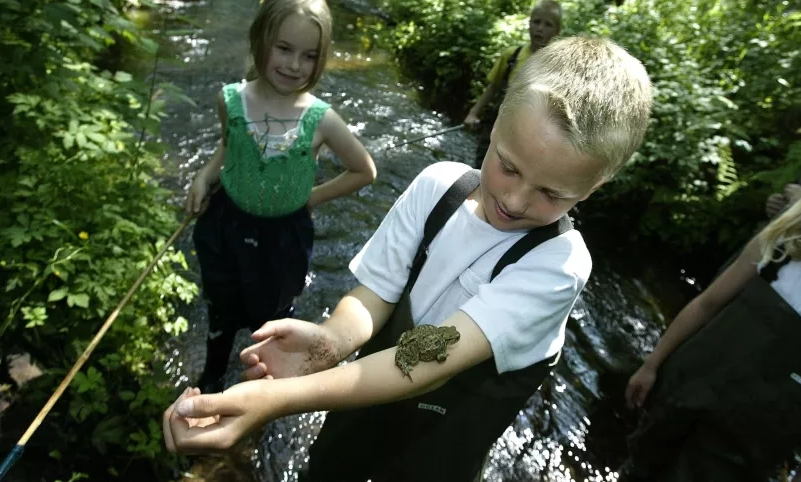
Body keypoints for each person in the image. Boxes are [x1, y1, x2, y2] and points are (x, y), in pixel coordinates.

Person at [163, 36, 653, 482]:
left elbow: (426, 363)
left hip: (436, 456)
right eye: (507, 165)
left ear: (594, 187)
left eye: (552, 193)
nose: (518, 200)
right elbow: (375, 295)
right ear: (497, 116)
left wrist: (272, 401)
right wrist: (331, 341)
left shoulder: (558, 265)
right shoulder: (438, 185)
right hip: (358, 405)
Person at [623, 138, 801, 481]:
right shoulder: (783, 242)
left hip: (740, 454)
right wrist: (652, 364)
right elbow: (707, 303)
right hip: (678, 401)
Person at [184, 0, 376, 394]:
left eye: (309, 56)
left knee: (270, 317)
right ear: (260, 42)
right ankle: (214, 368)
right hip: (226, 222)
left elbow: (364, 170)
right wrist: (204, 176)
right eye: (284, 48)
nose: (294, 65)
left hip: (282, 239)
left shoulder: (322, 120)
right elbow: (228, 146)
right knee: (221, 301)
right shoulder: (230, 100)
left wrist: (311, 197)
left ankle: (262, 384)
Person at [463, 0, 562, 168]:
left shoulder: (556, 66)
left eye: (548, 25)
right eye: (536, 22)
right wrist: (473, 112)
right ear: (529, 24)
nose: (540, 28)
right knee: (483, 167)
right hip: (497, 125)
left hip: (530, 136)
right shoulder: (512, 56)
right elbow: (493, 87)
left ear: (557, 31)